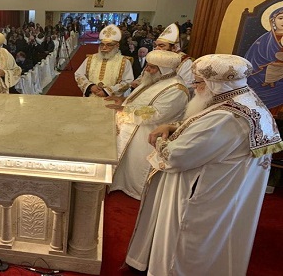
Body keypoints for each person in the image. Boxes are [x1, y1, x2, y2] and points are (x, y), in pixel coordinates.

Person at [125, 54, 283, 275]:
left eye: (199, 82)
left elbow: (177, 156)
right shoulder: (243, 99)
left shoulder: (226, 118)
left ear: (215, 83)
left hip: (204, 195)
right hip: (229, 193)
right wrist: (174, 126)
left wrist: (162, 142)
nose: (194, 86)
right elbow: (202, 123)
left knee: (185, 250)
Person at [105, 50, 189, 199]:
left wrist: (125, 109)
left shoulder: (176, 89)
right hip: (130, 129)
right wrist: (123, 101)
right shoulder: (155, 79)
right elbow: (138, 98)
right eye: (148, 66)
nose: (147, 70)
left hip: (146, 135)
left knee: (135, 168)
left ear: (165, 70)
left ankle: (132, 190)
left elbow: (157, 113)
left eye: (152, 67)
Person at [74, 24, 134, 97]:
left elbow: (128, 82)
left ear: (117, 45)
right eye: (102, 44)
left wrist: (107, 91)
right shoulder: (90, 58)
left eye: (109, 45)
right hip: (91, 97)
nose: (104, 48)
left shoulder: (124, 62)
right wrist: (90, 86)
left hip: (112, 99)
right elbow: (79, 75)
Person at [244, 7, 283, 112]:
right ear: (273, 20)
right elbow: (253, 60)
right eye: (281, 18)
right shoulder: (262, 41)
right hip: (260, 80)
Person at [154, 23, 194, 93]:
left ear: (174, 48)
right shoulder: (156, 58)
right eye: (156, 45)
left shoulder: (185, 62)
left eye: (161, 46)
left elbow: (186, 85)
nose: (157, 48)